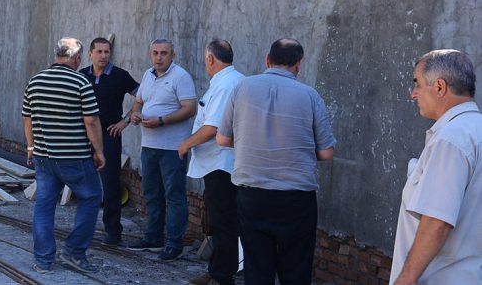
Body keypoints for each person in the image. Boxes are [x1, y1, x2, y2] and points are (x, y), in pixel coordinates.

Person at [216, 38, 337, 285]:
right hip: (296, 198)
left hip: (252, 196)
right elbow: (326, 153)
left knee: (257, 269)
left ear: (267, 59)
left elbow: (222, 139)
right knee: (296, 270)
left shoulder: (241, 88)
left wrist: (253, 144)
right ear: (299, 64)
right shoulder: (310, 95)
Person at [390, 49, 482, 285]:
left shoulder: (451, 139)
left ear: (440, 87)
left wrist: (405, 279)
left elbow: (437, 221)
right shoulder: (475, 130)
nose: (413, 94)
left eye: (418, 84)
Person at [22, 37, 106, 274]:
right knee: (91, 197)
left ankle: (43, 260)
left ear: (56, 55)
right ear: (78, 58)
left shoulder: (35, 80)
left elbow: (27, 117)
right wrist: (99, 151)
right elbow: (91, 120)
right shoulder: (80, 82)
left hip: (44, 157)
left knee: (44, 206)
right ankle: (74, 252)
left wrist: (31, 147)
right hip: (74, 157)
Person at [178, 39, 245, 285]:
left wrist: (186, 144)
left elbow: (213, 127)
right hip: (218, 162)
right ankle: (217, 270)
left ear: (210, 58)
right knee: (218, 221)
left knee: (224, 221)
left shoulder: (226, 84)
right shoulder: (229, 80)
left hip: (222, 163)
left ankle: (222, 277)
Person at [128, 38, 197, 261]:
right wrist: (135, 114)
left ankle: (175, 244)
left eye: (164, 53)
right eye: (155, 53)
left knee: (174, 195)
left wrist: (162, 121)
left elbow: (190, 109)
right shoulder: (147, 75)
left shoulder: (181, 77)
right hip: (149, 145)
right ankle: (153, 238)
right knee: (151, 193)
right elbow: (139, 102)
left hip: (172, 147)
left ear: (172, 56)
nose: (159, 57)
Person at [80, 37, 139, 246]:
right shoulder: (81, 76)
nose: (104, 56)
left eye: (107, 52)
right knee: (83, 182)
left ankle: (113, 232)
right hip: (83, 134)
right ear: (90, 54)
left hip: (109, 135)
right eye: (99, 52)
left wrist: (125, 121)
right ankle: (83, 230)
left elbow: (143, 96)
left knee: (111, 183)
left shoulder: (120, 76)